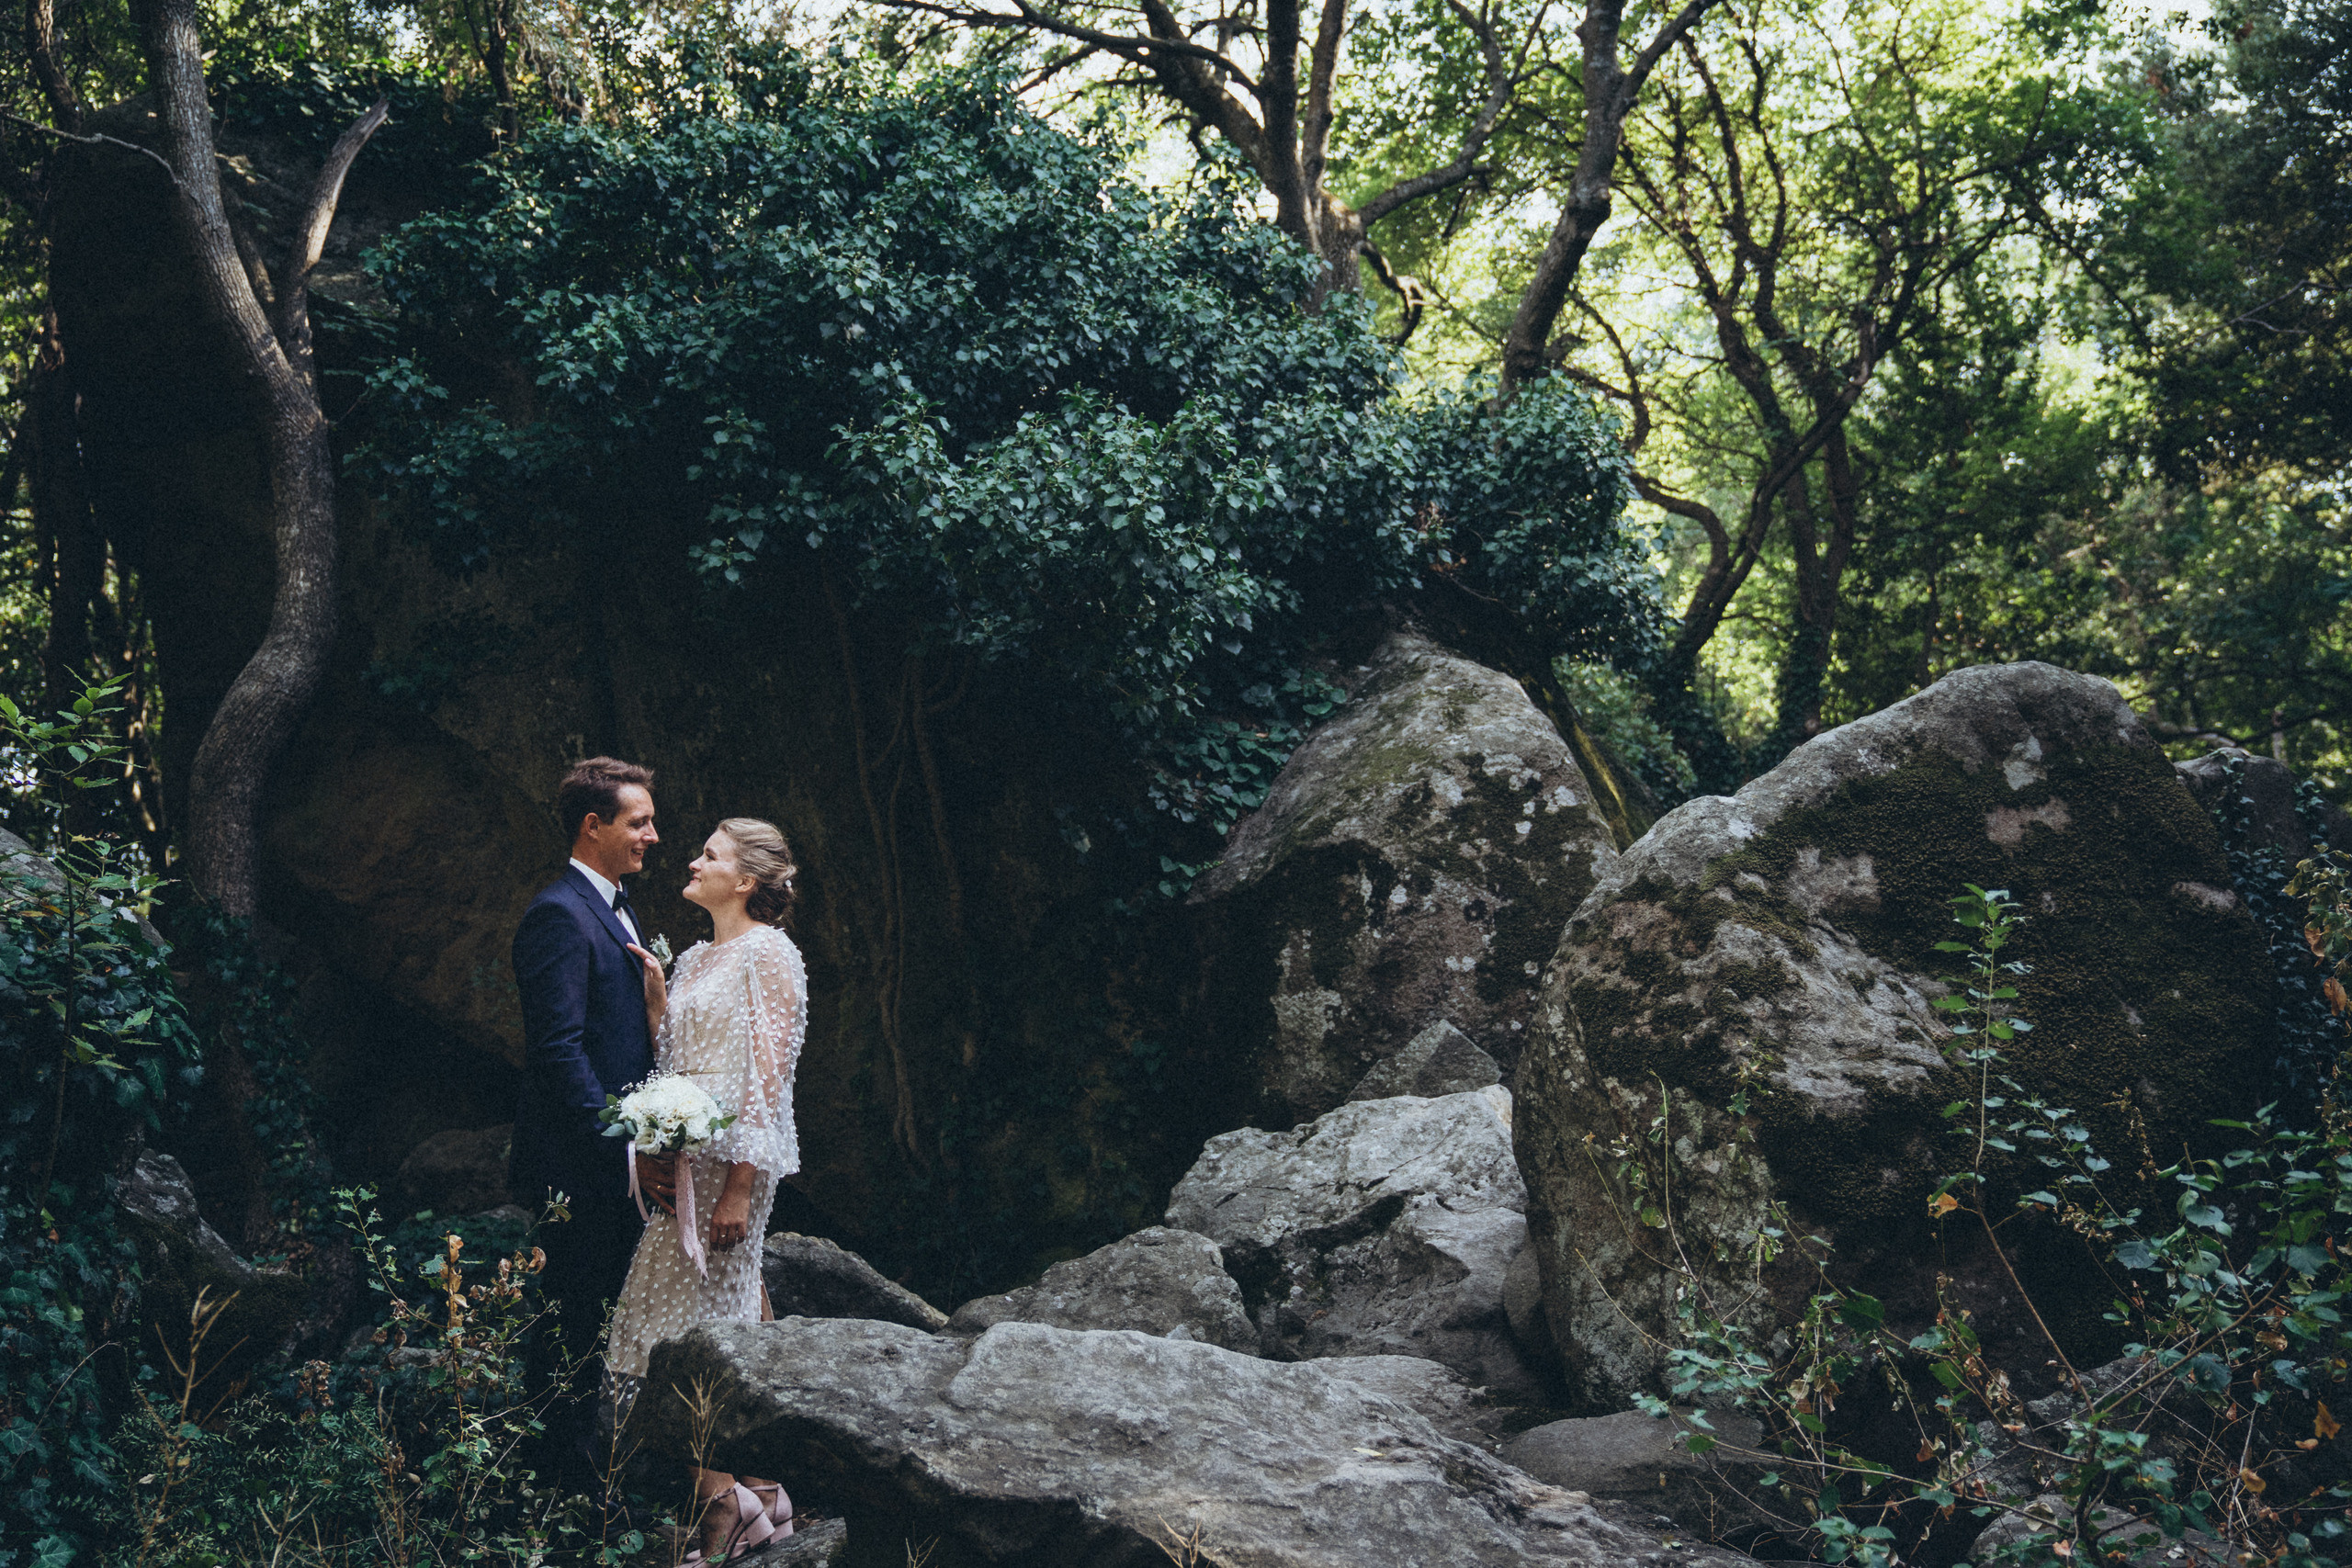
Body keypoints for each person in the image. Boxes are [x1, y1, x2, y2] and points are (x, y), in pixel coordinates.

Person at [604, 817, 807, 1564]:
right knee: (704, 1324)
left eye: (711, 856)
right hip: (691, 1163)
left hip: (733, 1171)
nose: (692, 861)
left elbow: (768, 1074)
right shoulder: (691, 958)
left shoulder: (771, 954)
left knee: (663, 1331)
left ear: (746, 881)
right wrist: (659, 1002)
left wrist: (740, 1190)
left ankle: (725, 1505)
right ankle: (759, 1491)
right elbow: (678, 1057)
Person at [510, 756, 675, 1495]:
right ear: (593, 825)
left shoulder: (617, 907)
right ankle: (556, 1498)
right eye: (639, 821)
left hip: (615, 1175)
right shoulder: (557, 913)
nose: (653, 835)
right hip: (579, 1172)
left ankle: (590, 1489)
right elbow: (559, 1053)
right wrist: (627, 1146)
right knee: (570, 1333)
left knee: (601, 1327)